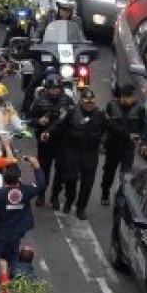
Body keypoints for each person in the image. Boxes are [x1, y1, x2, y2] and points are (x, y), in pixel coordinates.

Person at [0, 157, 46, 275]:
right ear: (18, 178)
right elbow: (40, 184)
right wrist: (37, 167)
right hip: (15, 235)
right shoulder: (26, 191)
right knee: (13, 265)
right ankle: (11, 285)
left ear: (4, 179)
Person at [52, 87, 107, 218]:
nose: (89, 105)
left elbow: (108, 130)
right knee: (70, 178)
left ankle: (81, 208)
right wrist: (48, 132)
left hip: (90, 152)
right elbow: (59, 124)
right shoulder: (71, 112)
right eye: (87, 103)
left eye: (91, 103)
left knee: (87, 182)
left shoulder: (100, 115)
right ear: (81, 102)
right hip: (73, 150)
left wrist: (103, 142)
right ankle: (69, 199)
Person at [28, 71, 73, 198]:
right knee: (43, 169)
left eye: (57, 88)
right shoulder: (39, 101)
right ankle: (41, 194)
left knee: (61, 171)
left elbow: (72, 118)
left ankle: (55, 196)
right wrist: (39, 121)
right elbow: (29, 119)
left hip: (62, 141)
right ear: (47, 88)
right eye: (52, 88)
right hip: (44, 142)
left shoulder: (67, 101)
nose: (55, 91)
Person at [101, 84, 147, 205]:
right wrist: (102, 142)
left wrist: (142, 141)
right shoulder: (111, 105)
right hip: (112, 145)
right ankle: (105, 192)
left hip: (128, 147)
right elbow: (107, 125)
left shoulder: (140, 108)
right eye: (122, 96)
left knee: (125, 174)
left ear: (133, 97)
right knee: (109, 172)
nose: (124, 99)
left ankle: (121, 196)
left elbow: (143, 127)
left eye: (127, 97)